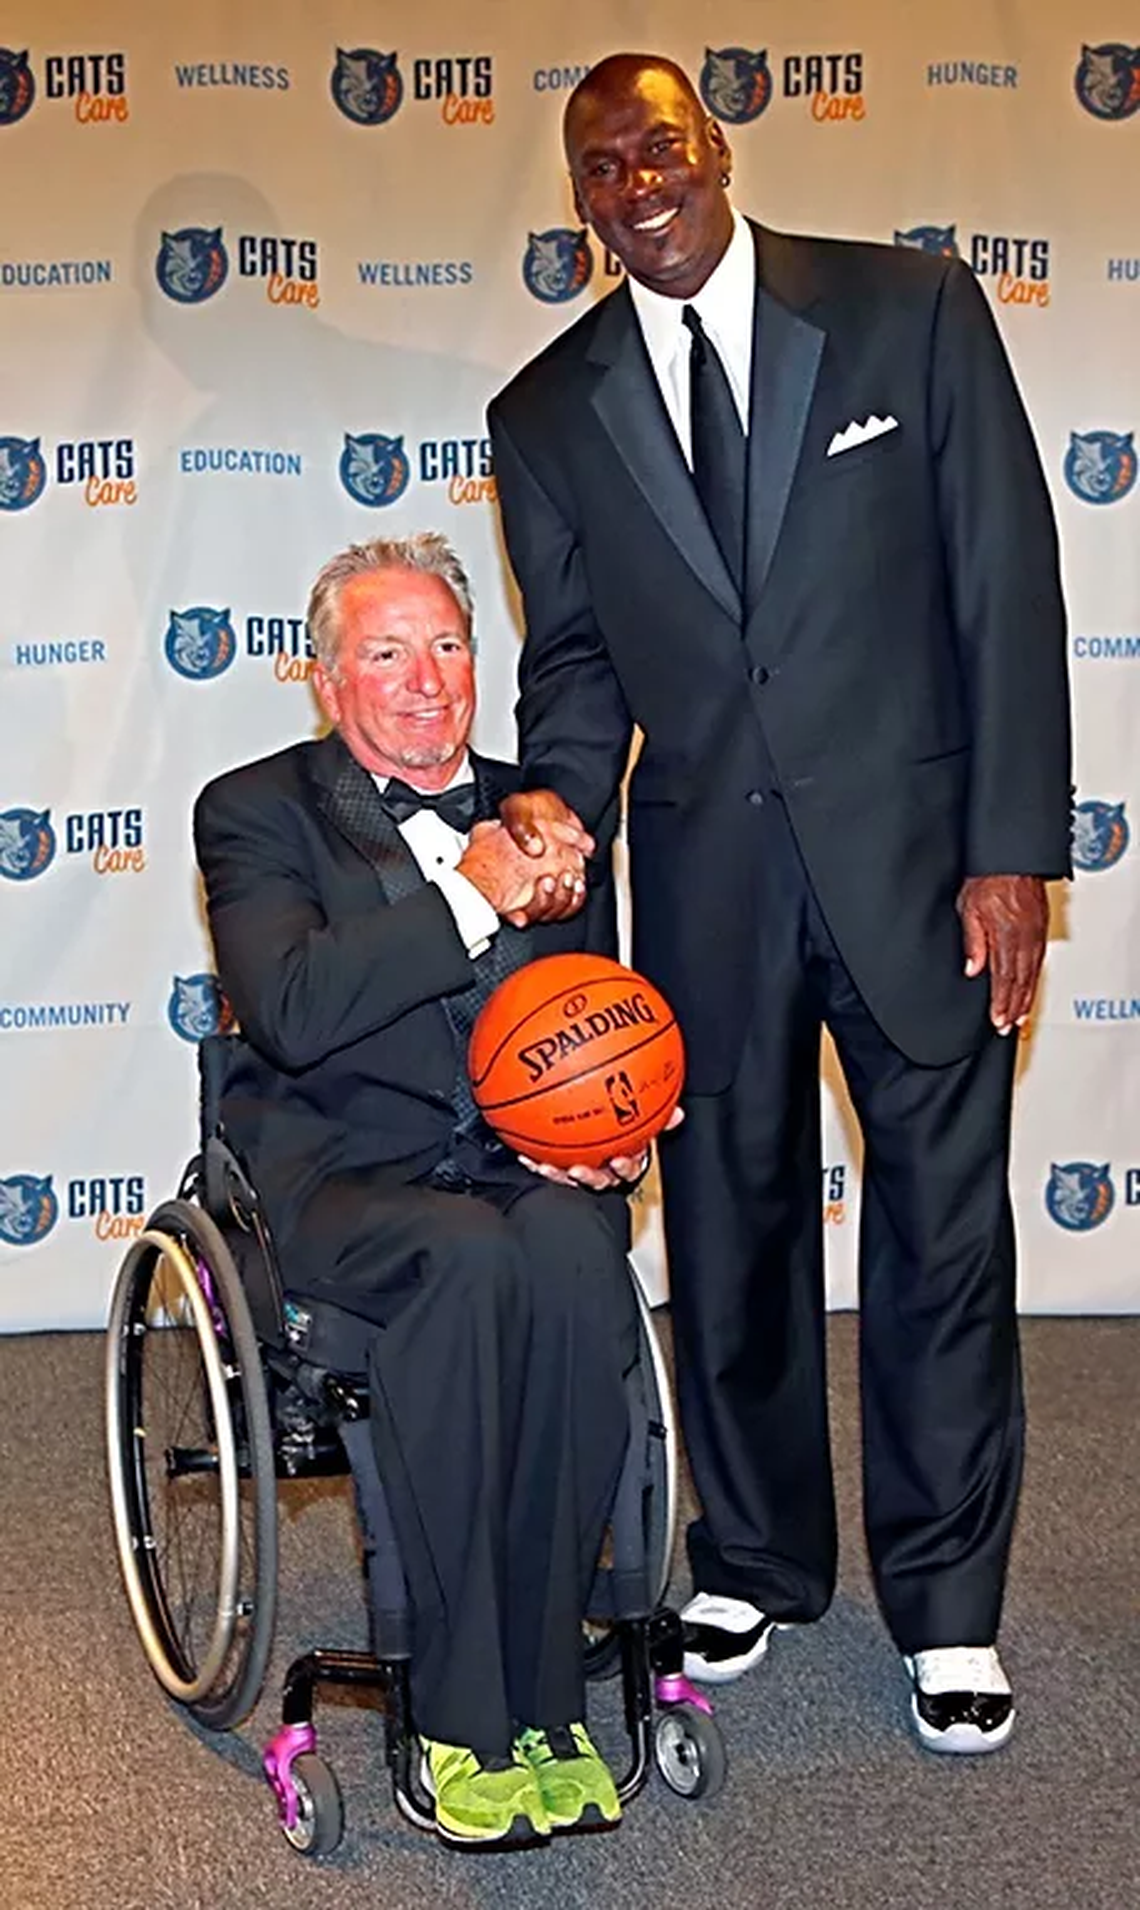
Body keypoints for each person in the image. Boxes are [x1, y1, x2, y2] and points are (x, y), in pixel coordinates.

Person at [488, 53, 1072, 1754]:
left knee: (941, 1244)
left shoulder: (910, 312)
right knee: (732, 1236)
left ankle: (951, 1608)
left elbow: (1005, 583)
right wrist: (547, 817)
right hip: (712, 885)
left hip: (921, 871)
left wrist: (1011, 846)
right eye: (600, 167)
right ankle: (753, 1553)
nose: (635, 182)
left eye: (657, 145)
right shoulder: (546, 409)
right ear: (580, 202)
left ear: (718, 147)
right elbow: (581, 663)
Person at [193, 532, 645, 1844]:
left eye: (447, 643)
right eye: (386, 652)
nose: (425, 677)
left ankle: (547, 1692)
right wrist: (468, 892)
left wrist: (619, 1135)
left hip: (510, 1166)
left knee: (571, 1248)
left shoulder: (545, 816)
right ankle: (457, 1714)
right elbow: (289, 1006)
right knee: (469, 1259)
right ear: (330, 681)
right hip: (339, 1177)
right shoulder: (253, 808)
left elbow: (596, 1019)